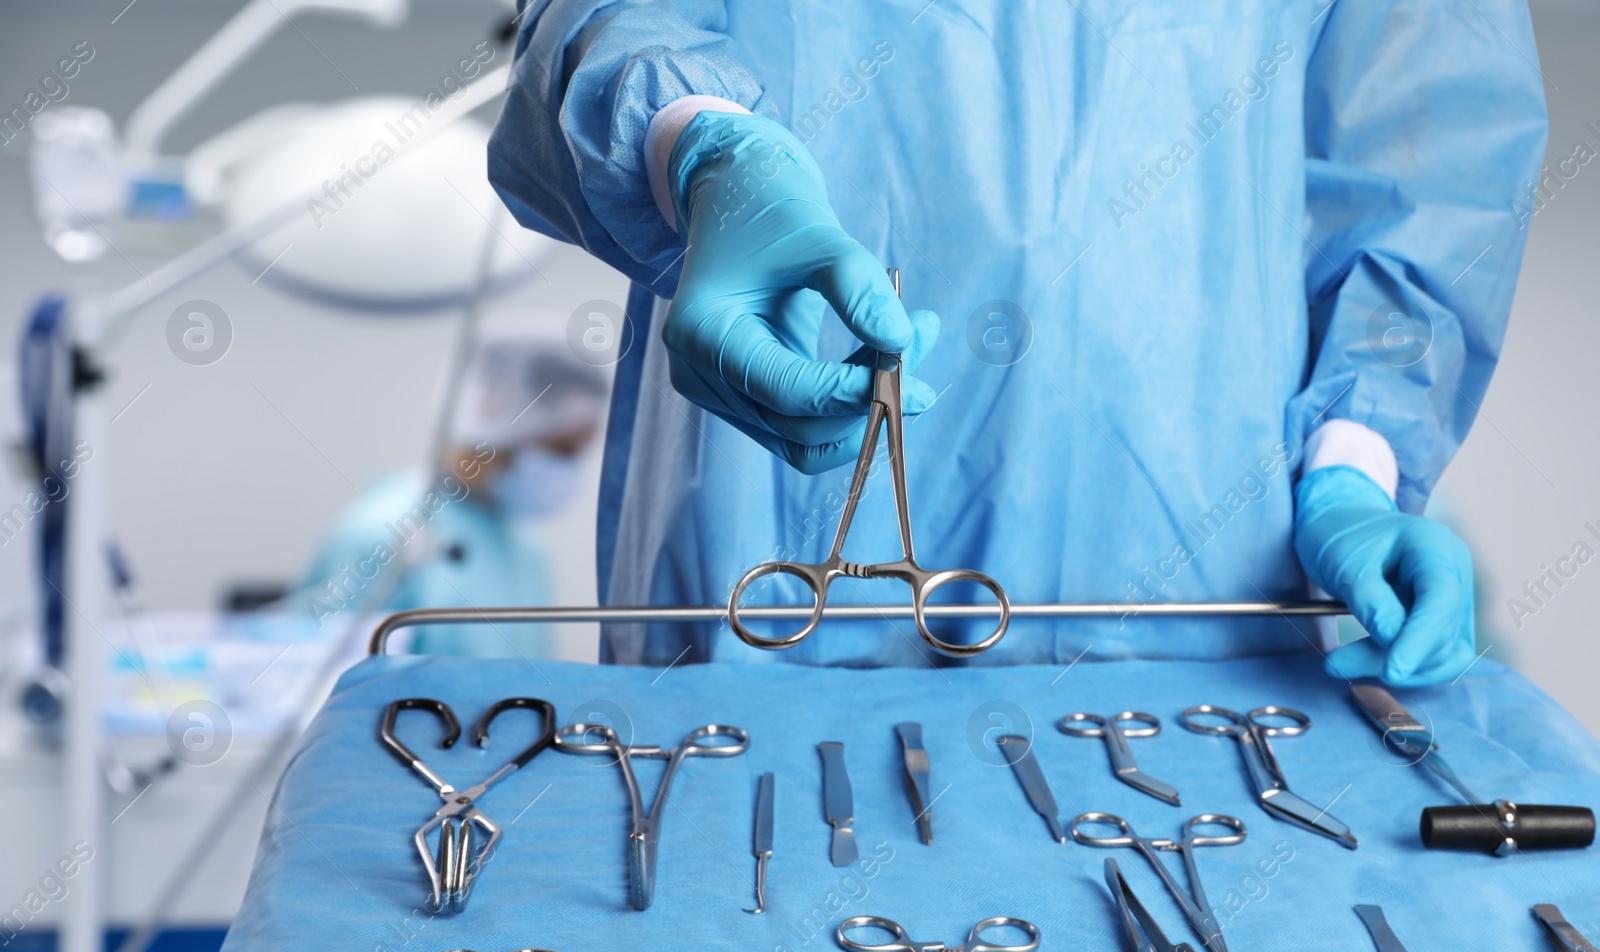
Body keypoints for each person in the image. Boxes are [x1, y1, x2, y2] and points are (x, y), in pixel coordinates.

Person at [487, 2, 1546, 683]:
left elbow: (1432, 158)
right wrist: (700, 145)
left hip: (1201, 588)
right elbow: (594, 25)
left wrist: (1353, 465)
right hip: (764, 561)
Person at [291, 317, 607, 657]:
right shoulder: (381, 534)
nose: (569, 470)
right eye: (560, 449)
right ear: (493, 416)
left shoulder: (524, 544)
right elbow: (325, 686)